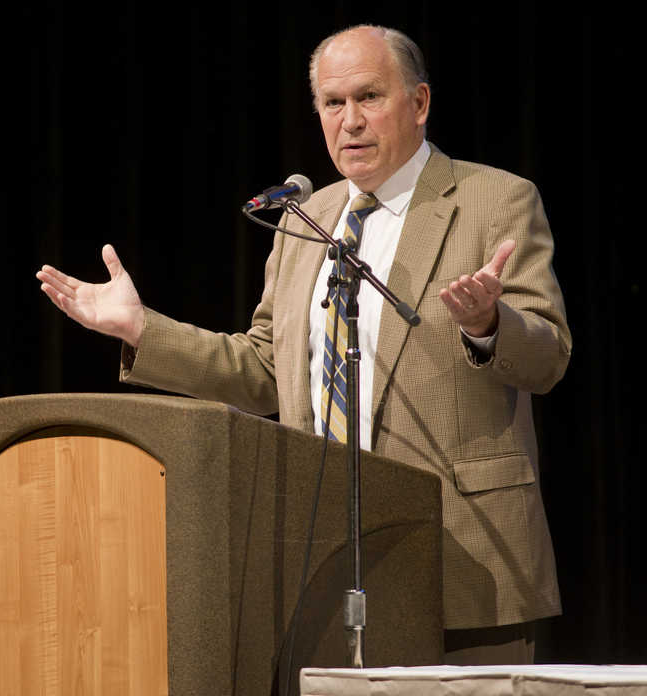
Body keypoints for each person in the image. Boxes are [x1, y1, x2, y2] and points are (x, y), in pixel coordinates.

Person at [36, 25, 571, 664]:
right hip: (322, 553)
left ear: (420, 103)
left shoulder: (495, 200)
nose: (351, 121)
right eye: (333, 103)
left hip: (463, 553)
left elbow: (549, 357)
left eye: (369, 97)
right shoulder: (306, 218)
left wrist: (488, 324)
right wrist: (141, 329)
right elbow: (265, 367)